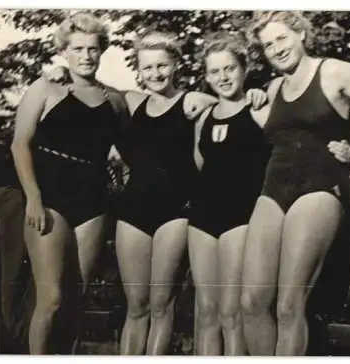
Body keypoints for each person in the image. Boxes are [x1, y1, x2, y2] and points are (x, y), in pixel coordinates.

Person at [240, 11, 350, 356]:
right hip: (274, 188)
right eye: (268, 44)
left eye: (282, 38)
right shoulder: (274, 87)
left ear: (301, 34)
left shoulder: (335, 71)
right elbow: (281, 136)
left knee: (290, 304)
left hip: (319, 187)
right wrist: (256, 105)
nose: (276, 48)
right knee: (252, 302)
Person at [187, 31, 350, 356]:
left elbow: (298, 143)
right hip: (203, 217)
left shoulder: (262, 108)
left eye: (229, 69)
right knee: (206, 312)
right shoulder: (203, 117)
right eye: (214, 71)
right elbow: (200, 164)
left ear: (244, 68)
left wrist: (343, 149)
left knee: (234, 313)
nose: (222, 77)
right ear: (205, 76)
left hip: (244, 216)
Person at [112, 30, 268, 355]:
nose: (155, 74)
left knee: (163, 304)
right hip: (136, 211)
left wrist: (256, 94)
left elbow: (231, 106)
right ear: (138, 71)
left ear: (176, 66)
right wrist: (57, 75)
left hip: (177, 213)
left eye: (162, 66)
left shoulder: (195, 103)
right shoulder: (130, 101)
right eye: (148, 67)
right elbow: (93, 92)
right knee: (136, 304)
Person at [10, 12, 128, 354]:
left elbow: (133, 149)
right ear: (65, 51)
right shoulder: (46, 88)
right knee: (52, 299)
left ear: (102, 50)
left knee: (77, 300)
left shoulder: (115, 100)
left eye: (93, 48)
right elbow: (19, 144)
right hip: (49, 199)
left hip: (93, 202)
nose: (86, 55)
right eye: (78, 48)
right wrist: (32, 196)